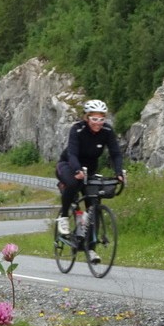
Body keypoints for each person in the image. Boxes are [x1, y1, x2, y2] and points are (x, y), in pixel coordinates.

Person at [55, 99, 124, 264]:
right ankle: (64, 217)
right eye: (94, 119)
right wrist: (77, 170)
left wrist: (119, 172)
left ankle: (90, 248)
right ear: (87, 118)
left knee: (93, 207)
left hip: (90, 170)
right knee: (72, 184)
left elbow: (115, 153)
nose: (98, 123)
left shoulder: (107, 131)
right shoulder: (77, 129)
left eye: (101, 119)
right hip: (68, 166)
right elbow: (72, 153)